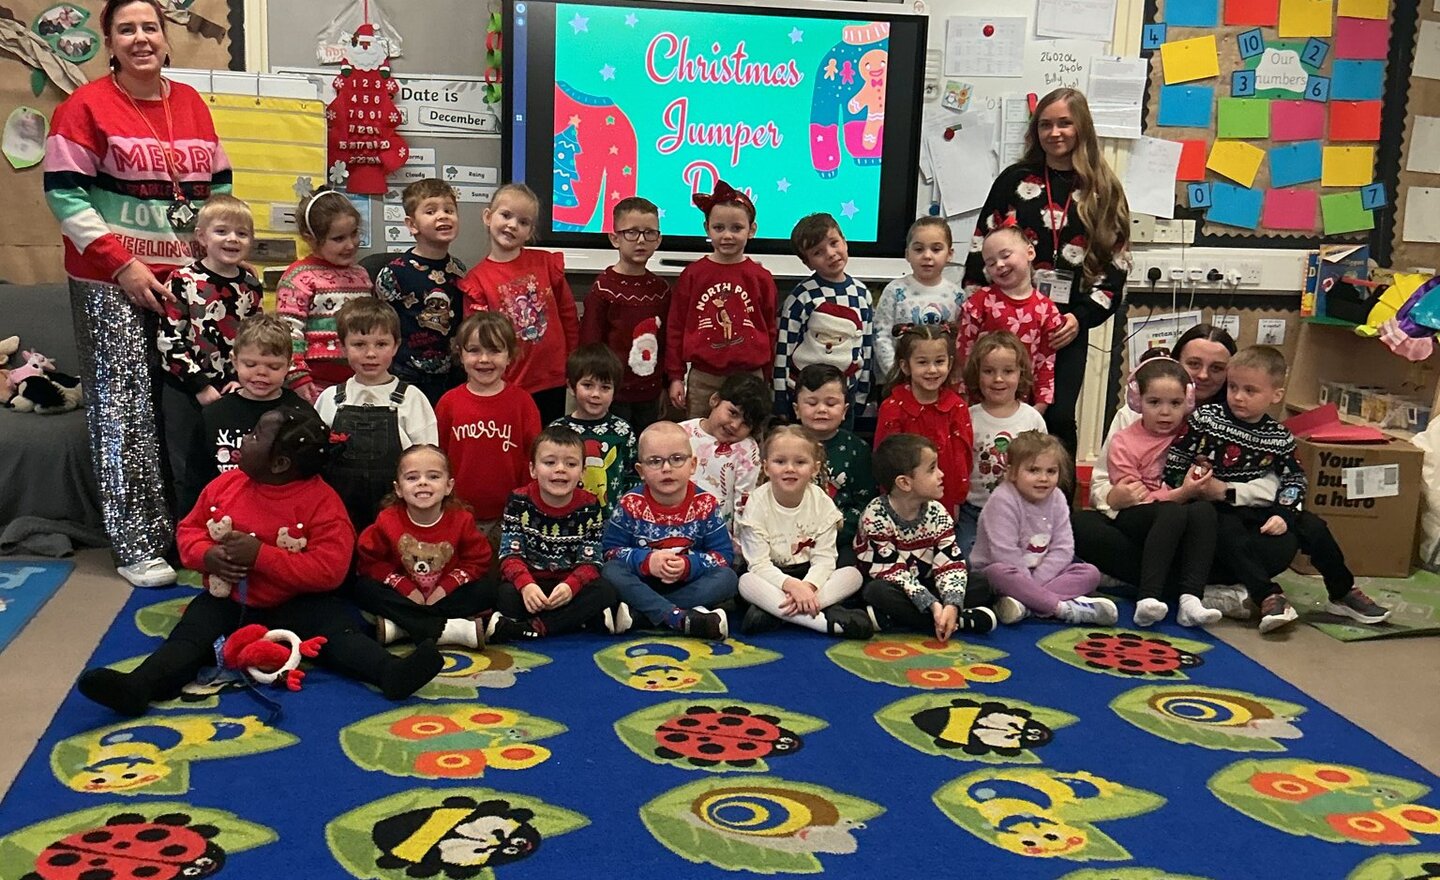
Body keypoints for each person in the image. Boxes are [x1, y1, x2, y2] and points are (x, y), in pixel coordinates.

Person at [75, 406, 444, 716]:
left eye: (253, 436)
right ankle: (139, 686)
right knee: (189, 638)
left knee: (342, 636)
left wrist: (261, 556)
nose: (244, 440)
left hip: (299, 601)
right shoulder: (225, 485)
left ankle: (390, 673)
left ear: (280, 463)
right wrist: (207, 556)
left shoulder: (322, 502)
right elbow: (189, 530)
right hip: (232, 598)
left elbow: (330, 570)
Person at [44, 0, 232, 586]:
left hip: (187, 281)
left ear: (165, 37)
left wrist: (213, 260)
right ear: (110, 43)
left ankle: (193, 530)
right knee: (124, 410)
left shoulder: (192, 103)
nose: (140, 38)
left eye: (150, 26)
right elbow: (64, 195)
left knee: (193, 403)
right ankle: (138, 544)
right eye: (126, 29)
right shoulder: (83, 107)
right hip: (111, 282)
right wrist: (121, 264)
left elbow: (218, 188)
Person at [1161, 346, 1391, 633]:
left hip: (1256, 506)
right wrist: (1188, 485)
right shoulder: (1205, 419)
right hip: (1212, 507)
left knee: (1314, 527)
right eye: (1233, 387)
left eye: (1250, 390)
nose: (1238, 397)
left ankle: (1342, 591)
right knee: (1227, 530)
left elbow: (1294, 479)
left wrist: (1284, 513)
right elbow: (1176, 459)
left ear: (1276, 395)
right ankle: (1268, 595)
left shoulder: (1279, 437)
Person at [1075, 323, 1293, 614]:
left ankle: (1145, 584)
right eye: (1194, 364)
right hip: (1147, 522)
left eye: (1217, 368)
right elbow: (1101, 485)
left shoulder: (1244, 417)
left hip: (1214, 529)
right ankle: (1204, 593)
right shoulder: (1132, 414)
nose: (1203, 375)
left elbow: (1273, 485)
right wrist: (1113, 497)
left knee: (1282, 541)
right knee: (1083, 526)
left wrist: (1225, 492)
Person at [964, 87, 1131, 456]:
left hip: (1063, 329)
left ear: (1082, 127)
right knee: (996, 413)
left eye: (1064, 123)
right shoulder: (1013, 180)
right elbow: (981, 247)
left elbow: (1115, 269)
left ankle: (1057, 493)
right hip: (1004, 321)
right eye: (1045, 125)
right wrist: (974, 312)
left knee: (1056, 418)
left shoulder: (1104, 190)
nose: (1054, 133)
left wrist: (1081, 318)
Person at [157, 194, 262, 519]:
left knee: (231, 465)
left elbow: (254, 338)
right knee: (187, 468)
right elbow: (168, 340)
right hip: (186, 389)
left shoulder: (250, 284)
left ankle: (232, 526)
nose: (232, 239)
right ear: (202, 237)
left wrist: (240, 379)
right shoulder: (183, 281)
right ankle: (190, 535)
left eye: (242, 233)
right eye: (222, 231)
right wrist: (200, 386)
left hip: (234, 389)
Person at [1101, 353, 1221, 627]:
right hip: (1137, 512)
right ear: (1137, 401)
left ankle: (1191, 600)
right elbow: (1136, 496)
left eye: (1175, 403)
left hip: (1180, 510)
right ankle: (1148, 597)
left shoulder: (1192, 436)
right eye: (1154, 402)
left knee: (1204, 511)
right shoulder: (1124, 441)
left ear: (1187, 402)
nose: (1165, 412)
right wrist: (1182, 494)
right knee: (1172, 512)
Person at [600, 421, 738, 639]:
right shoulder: (630, 503)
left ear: (692, 465)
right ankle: (679, 618)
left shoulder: (706, 504)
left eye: (677, 459)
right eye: (655, 461)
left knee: (728, 579)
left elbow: (723, 557)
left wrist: (688, 565)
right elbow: (609, 553)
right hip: (642, 582)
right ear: (641, 471)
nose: (666, 468)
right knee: (610, 572)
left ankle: (645, 614)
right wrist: (646, 561)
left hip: (687, 584)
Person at [353, 444, 496, 649]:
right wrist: (404, 587)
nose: (422, 483)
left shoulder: (461, 519)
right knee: (363, 589)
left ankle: (403, 627)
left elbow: (478, 560)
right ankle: (446, 628)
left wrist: (445, 588)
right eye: (412, 478)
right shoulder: (387, 520)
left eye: (433, 477)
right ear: (398, 489)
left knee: (487, 590)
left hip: (445, 596)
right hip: (404, 596)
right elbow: (370, 561)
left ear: (448, 486)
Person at [458, 182, 579, 424]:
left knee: (548, 440)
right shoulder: (477, 280)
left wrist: (572, 360)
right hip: (508, 381)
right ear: (488, 217)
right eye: (506, 215)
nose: (513, 225)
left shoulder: (546, 263)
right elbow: (478, 338)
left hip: (551, 378)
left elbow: (568, 314)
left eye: (523, 222)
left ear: (530, 231)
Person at [857, 433, 996, 639]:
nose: (941, 474)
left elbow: (950, 563)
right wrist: (931, 604)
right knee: (876, 592)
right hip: (898, 586)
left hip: (929, 583)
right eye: (932, 469)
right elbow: (891, 572)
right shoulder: (875, 515)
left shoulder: (937, 511)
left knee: (981, 583)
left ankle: (909, 619)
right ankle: (958, 621)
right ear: (905, 483)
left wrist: (951, 604)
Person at [737, 425, 870, 638]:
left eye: (800, 462)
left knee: (852, 575)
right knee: (746, 582)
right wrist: (791, 586)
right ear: (766, 467)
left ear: (815, 469)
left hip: (810, 574)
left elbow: (824, 559)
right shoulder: (757, 502)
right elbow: (758, 564)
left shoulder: (822, 503)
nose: (790, 468)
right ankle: (825, 623)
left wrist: (807, 587)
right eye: (780, 462)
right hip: (773, 576)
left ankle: (778, 612)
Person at [971, 431, 1117, 625]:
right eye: (1033, 470)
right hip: (1003, 573)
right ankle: (1063, 609)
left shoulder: (1057, 498)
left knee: (1090, 573)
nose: (1043, 478)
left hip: (1041, 575)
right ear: (1012, 472)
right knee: (998, 572)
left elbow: (1063, 548)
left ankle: (1026, 606)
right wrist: (1027, 584)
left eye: (1051, 471)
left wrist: (1033, 587)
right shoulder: (1002, 500)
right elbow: (1004, 553)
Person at [316, 298, 438, 528]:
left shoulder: (412, 399)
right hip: (338, 512)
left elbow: (429, 461)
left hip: (396, 512)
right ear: (343, 347)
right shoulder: (330, 398)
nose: (370, 353)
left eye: (381, 344)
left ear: (396, 346)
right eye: (359, 344)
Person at [492, 426, 620, 641]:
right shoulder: (518, 501)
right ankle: (576, 620)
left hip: (570, 585)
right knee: (505, 595)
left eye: (571, 464)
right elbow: (509, 554)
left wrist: (571, 586)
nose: (560, 469)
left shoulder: (590, 506)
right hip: (532, 583)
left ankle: (536, 626)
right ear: (533, 469)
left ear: (582, 472)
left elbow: (591, 561)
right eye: (550, 462)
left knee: (606, 591)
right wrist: (526, 585)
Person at [665, 180, 778, 418]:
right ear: (707, 228)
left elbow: (769, 329)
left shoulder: (761, 277)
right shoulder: (693, 275)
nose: (727, 235)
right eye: (719, 228)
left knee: (749, 434)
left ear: (752, 230)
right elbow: (675, 328)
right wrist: (675, 376)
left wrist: (767, 376)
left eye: (736, 228)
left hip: (750, 377)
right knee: (699, 434)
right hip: (703, 378)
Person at [436, 311, 541, 551]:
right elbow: (437, 457)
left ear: (509, 355)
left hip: (510, 514)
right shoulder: (448, 403)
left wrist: (524, 503)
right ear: (460, 354)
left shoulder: (522, 403)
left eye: (494, 350)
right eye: (474, 350)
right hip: (457, 512)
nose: (484, 359)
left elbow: (534, 458)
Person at [191, 314, 308, 500]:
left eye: (273, 367)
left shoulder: (302, 414)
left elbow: (312, 478)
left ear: (289, 366)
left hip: (283, 510)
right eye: (250, 364)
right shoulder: (214, 415)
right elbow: (195, 478)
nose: (261, 372)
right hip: (223, 510)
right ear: (235, 361)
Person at [372, 178, 466, 406]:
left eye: (449, 210)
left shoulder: (460, 271)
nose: (442, 216)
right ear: (412, 224)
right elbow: (380, 327)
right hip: (405, 376)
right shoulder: (394, 273)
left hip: (451, 376)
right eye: (431, 211)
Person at [579, 196, 670, 430]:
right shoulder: (603, 289)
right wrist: (594, 389)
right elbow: (590, 344)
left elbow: (666, 343)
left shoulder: (661, 290)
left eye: (649, 233)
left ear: (658, 240)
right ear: (615, 238)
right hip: (612, 395)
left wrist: (665, 386)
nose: (641, 240)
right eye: (631, 232)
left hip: (650, 394)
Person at [774, 213, 874, 418]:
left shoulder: (861, 294)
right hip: (806, 397)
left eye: (834, 243)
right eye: (818, 252)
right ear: (808, 263)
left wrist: (862, 394)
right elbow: (783, 350)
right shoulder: (802, 297)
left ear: (845, 241)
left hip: (845, 396)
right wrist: (781, 400)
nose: (830, 254)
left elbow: (865, 347)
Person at [276, 188, 371, 403]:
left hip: (358, 381)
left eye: (354, 233)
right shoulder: (299, 277)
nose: (350, 244)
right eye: (338, 238)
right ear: (310, 239)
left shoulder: (362, 275)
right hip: (314, 383)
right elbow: (289, 333)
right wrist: (297, 376)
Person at [959, 332, 1048, 554]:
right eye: (989, 371)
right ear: (977, 374)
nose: (998, 379)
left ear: (1020, 373)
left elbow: (1044, 466)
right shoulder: (968, 418)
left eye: (1007, 371)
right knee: (965, 556)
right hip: (975, 511)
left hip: (1022, 511)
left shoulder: (1032, 418)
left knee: (1037, 552)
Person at [959, 226, 1065, 411]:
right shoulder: (978, 303)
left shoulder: (1047, 310)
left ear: (1030, 252)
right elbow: (963, 355)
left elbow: (1045, 364)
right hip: (978, 404)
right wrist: (962, 402)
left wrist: (1039, 408)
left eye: (1006, 255)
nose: (999, 265)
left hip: (1022, 406)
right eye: (991, 263)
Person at [874, 326, 973, 519]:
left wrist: (956, 500)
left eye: (939, 361)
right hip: (902, 504)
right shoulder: (893, 407)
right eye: (922, 362)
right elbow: (886, 460)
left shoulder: (957, 407)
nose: (932, 370)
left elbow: (962, 460)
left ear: (950, 363)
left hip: (945, 501)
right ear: (905, 366)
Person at [794, 364, 874, 563]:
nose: (821, 409)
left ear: (845, 410)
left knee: (851, 571)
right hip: (789, 535)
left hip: (840, 539)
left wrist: (835, 532)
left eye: (831, 403)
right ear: (797, 409)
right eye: (812, 403)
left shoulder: (858, 449)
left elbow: (865, 503)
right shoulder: (783, 445)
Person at [873, 216, 966, 380]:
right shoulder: (894, 291)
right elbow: (881, 335)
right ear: (907, 254)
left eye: (936, 249)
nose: (927, 256)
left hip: (940, 381)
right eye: (918, 249)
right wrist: (895, 375)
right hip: (899, 380)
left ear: (950, 254)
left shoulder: (957, 296)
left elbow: (959, 342)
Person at [550, 344, 638, 515]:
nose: (596, 394)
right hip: (568, 518)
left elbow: (632, 477)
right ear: (571, 386)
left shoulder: (622, 431)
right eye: (588, 385)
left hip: (612, 519)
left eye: (605, 387)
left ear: (615, 391)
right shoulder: (558, 430)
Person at [680, 372, 771, 536]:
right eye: (733, 413)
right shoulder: (680, 433)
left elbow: (745, 502)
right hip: (673, 527)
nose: (735, 425)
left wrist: (739, 542)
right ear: (715, 400)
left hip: (719, 537)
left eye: (745, 423)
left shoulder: (746, 449)